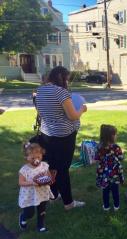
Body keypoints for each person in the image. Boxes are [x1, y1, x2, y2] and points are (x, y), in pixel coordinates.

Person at [35, 66, 87, 210]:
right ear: (61, 77)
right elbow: (73, 116)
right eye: (67, 79)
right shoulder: (61, 92)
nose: (67, 82)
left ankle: (54, 194)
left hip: (46, 135)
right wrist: (82, 109)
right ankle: (68, 203)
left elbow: (41, 111)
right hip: (64, 136)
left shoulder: (40, 90)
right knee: (63, 169)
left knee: (52, 166)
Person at [18, 143, 53, 232]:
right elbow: (21, 182)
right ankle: (23, 217)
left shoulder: (44, 165)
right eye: (33, 158)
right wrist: (32, 183)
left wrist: (49, 180)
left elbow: (48, 176)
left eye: (39, 157)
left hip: (42, 192)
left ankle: (40, 226)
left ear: (42, 154)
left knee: (42, 209)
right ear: (26, 157)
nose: (36, 160)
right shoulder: (24, 170)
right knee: (30, 213)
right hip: (29, 195)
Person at [96, 125, 124, 211]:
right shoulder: (116, 147)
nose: (116, 136)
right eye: (115, 134)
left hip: (104, 174)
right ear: (110, 136)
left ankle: (106, 206)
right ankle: (116, 206)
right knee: (115, 191)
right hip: (114, 173)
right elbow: (121, 157)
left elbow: (97, 158)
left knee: (105, 191)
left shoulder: (99, 147)